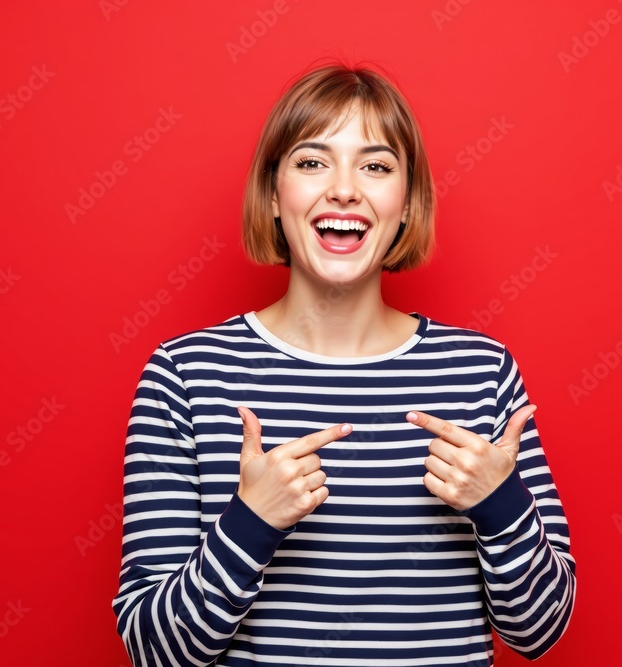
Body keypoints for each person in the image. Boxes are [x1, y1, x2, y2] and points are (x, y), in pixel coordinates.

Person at [112, 60, 576, 667]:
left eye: (376, 166)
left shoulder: (482, 372)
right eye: (311, 162)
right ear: (273, 195)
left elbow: (539, 634)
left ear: (406, 204)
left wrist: (501, 505)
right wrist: (250, 522)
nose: (344, 189)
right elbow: (155, 650)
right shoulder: (185, 375)